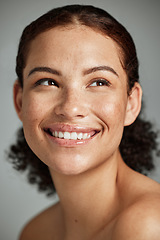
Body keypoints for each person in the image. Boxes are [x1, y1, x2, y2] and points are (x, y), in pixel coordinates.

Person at [9, 4, 160, 240]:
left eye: (99, 82)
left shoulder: (149, 226)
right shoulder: (34, 233)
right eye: (48, 82)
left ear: (131, 104)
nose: (70, 108)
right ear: (20, 102)